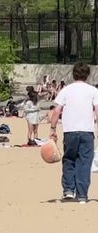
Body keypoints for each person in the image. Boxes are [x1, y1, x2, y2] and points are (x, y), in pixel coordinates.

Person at [50, 62, 98, 204]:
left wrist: (52, 129)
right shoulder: (93, 90)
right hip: (87, 131)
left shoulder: (66, 90)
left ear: (73, 74)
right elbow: (97, 109)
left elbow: (56, 111)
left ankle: (69, 190)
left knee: (69, 159)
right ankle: (82, 195)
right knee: (85, 162)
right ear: (87, 75)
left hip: (70, 131)